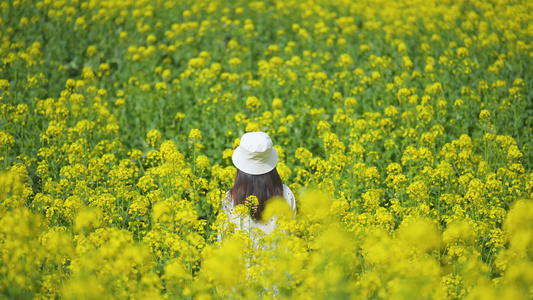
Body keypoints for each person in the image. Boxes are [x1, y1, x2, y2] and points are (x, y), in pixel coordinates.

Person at [218, 131, 296, 241]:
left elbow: (223, 241)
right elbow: (293, 236)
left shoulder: (230, 197)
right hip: (280, 257)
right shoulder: (286, 194)